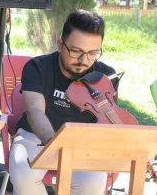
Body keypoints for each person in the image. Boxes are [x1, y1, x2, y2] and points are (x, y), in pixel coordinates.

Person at [9, 10, 112, 194]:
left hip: (83, 141)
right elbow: (35, 111)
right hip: (36, 135)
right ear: (60, 44)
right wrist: (56, 144)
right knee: (23, 174)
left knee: (93, 184)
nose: (84, 60)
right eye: (76, 51)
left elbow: (108, 123)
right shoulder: (37, 67)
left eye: (93, 53)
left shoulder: (105, 76)